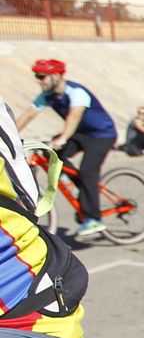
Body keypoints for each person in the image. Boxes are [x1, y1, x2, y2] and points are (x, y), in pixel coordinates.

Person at [0, 101, 88, 338]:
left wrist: (63, 137)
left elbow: (72, 122)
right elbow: (29, 111)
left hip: (25, 337)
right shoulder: (51, 92)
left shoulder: (75, 93)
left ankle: (93, 213)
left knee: (91, 173)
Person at [14, 60, 119, 239]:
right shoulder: (47, 95)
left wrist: (61, 139)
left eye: (42, 77)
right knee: (50, 154)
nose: (39, 81)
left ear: (56, 75)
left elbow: (73, 118)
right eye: (36, 77)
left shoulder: (77, 92)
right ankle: (84, 192)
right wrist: (8, 136)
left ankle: (94, 218)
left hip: (102, 135)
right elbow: (28, 116)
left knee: (88, 170)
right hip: (80, 134)